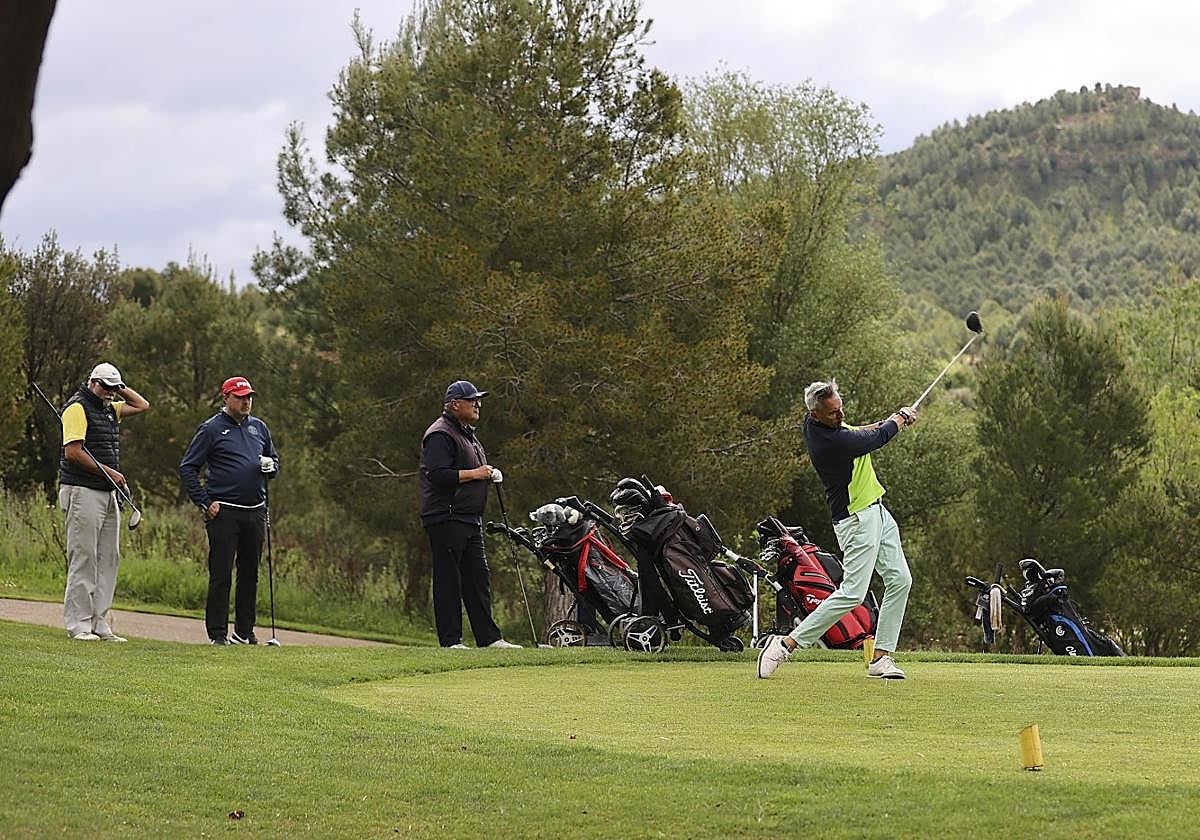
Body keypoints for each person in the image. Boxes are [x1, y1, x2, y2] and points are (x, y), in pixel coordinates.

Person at [758, 380, 916, 680]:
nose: (839, 415)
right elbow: (874, 439)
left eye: (840, 408)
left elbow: (859, 431)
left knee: (900, 580)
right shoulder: (830, 443)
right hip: (856, 520)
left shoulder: (828, 426)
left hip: (876, 511)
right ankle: (785, 645)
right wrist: (899, 419)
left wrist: (891, 420)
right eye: (833, 413)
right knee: (853, 593)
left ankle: (881, 658)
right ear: (816, 415)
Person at [419, 380, 521, 649]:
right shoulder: (440, 434)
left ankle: (489, 639)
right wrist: (478, 473)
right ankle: (451, 641)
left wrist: (486, 473)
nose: (478, 404)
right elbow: (438, 474)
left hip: (468, 517)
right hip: (446, 516)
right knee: (449, 580)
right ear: (454, 404)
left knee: (478, 579)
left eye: (478, 399)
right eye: (472, 399)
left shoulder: (467, 434)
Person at [178, 376, 279, 645]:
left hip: (255, 510)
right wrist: (204, 501)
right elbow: (188, 467)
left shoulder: (260, 428)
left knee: (250, 574)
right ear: (226, 398)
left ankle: (244, 632)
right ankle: (218, 634)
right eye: (240, 397)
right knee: (221, 574)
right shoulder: (211, 429)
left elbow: (273, 460)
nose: (246, 402)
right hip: (223, 512)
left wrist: (272, 467)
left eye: (249, 397)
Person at [59, 362, 151, 641]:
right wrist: (109, 472)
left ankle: (100, 622)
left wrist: (119, 386)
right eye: (107, 388)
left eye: (115, 389)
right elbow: (73, 452)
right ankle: (79, 625)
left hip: (107, 492)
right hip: (81, 491)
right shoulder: (77, 408)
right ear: (93, 383)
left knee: (108, 558)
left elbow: (142, 404)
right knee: (84, 558)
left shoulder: (108, 410)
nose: (112, 394)